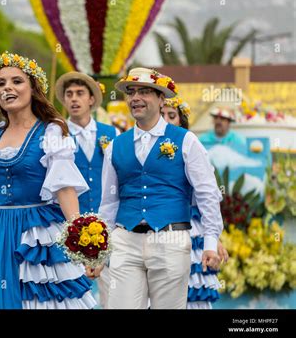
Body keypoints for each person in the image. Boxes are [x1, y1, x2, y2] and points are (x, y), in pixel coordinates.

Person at [0, 52, 96, 309]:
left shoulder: (51, 130)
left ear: (33, 88)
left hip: (35, 231)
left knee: (35, 299)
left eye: (17, 81)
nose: (7, 88)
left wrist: (79, 235)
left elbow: (64, 186)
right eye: (1, 83)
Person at [98, 67, 223, 309]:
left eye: (144, 91)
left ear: (161, 98)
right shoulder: (115, 145)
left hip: (171, 238)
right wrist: (100, 252)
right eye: (131, 92)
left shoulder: (186, 140)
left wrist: (210, 242)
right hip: (125, 238)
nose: (135, 98)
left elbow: (208, 193)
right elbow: (109, 202)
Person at [55, 71, 118, 309]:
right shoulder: (56, 133)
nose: (74, 99)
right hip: (68, 223)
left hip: (106, 223)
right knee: (73, 292)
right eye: (69, 94)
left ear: (92, 99)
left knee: (111, 293)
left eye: (80, 93)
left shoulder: (111, 133)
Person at [161, 96, 229, 309]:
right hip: (155, 229)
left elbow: (205, 196)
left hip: (191, 227)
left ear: (181, 121)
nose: (165, 120)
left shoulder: (189, 146)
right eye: (161, 115)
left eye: (171, 116)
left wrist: (213, 238)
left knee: (192, 291)